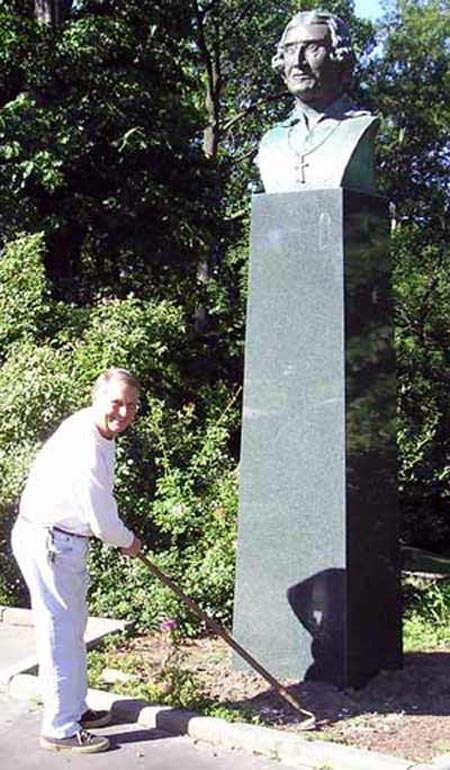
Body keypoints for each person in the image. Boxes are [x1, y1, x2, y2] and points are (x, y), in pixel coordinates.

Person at [11, 367, 142, 754]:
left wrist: (118, 535)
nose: (123, 412)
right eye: (116, 402)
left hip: (58, 540)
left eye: (131, 405)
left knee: (71, 628)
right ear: (97, 397)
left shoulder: (96, 431)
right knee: (60, 634)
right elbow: (102, 518)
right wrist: (128, 541)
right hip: (51, 542)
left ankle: (75, 710)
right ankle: (60, 728)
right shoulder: (87, 442)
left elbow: (99, 505)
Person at [256, 10, 379, 193]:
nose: (298, 61)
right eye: (290, 50)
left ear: (340, 59)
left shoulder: (360, 127)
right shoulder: (272, 140)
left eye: (312, 48)